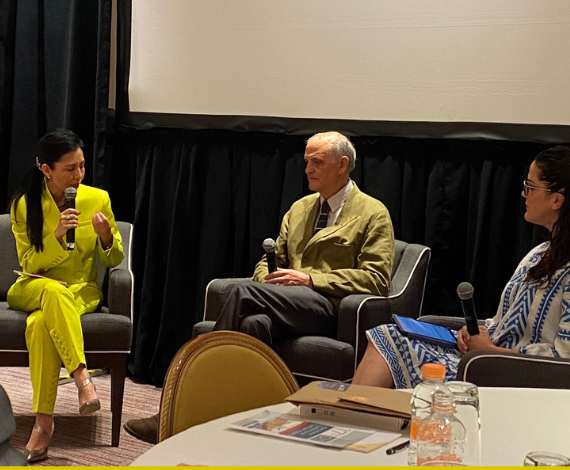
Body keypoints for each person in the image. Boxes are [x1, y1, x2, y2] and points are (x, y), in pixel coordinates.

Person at [124, 131, 395, 444]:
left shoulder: (373, 213)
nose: (308, 169)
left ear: (342, 164)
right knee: (254, 323)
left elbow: (376, 279)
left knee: (241, 293)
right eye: (307, 161)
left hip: (328, 305)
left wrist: (310, 280)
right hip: (283, 302)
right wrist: (265, 280)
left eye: (317, 162)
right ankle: (240, 423)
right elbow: (269, 260)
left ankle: (180, 411)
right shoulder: (300, 208)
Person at [353, 145, 570, 389]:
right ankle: (354, 409)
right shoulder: (538, 253)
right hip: (485, 356)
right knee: (388, 334)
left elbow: (564, 359)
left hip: (512, 372)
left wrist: (489, 351)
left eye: (530, 186)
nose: (523, 193)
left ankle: (358, 408)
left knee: (398, 347)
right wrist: (476, 332)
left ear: (557, 199)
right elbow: (503, 322)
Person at [7, 129, 124, 462]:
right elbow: (27, 262)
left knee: (39, 325)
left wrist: (106, 238)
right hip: (33, 284)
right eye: (70, 168)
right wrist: (57, 235)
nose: (79, 175)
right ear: (46, 169)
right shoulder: (24, 204)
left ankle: (43, 425)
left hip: (78, 289)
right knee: (51, 290)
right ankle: (81, 377)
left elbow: (113, 260)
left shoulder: (97, 199)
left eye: (82, 166)